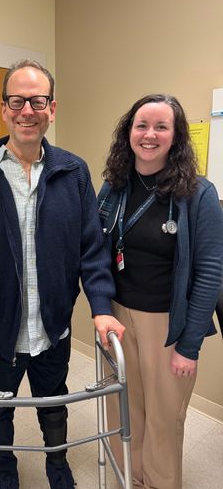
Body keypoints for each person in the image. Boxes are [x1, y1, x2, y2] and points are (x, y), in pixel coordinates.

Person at [0, 59, 124, 489]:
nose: (27, 110)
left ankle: (57, 468)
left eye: (38, 101)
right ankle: (5, 474)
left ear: (52, 109)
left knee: (53, 404)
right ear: (4, 109)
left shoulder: (73, 173)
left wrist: (101, 306)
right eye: (17, 101)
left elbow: (91, 250)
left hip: (53, 329)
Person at [97, 94, 223, 489]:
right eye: (141, 125)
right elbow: (95, 247)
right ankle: (131, 481)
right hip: (118, 317)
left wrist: (190, 346)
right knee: (124, 412)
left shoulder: (198, 194)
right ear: (128, 132)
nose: (149, 134)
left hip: (168, 325)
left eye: (161, 127)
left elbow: (210, 273)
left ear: (176, 136)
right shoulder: (114, 186)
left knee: (163, 421)